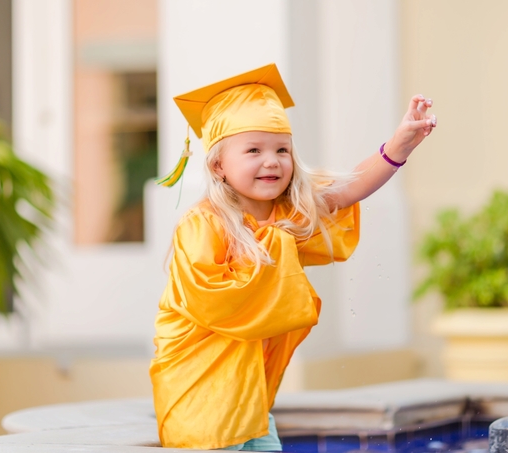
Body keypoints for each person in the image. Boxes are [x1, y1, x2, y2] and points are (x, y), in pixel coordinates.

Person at [149, 63, 436, 450]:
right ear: (218, 165)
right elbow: (210, 299)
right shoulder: (203, 223)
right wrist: (276, 245)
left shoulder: (287, 212)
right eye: (254, 150)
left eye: (282, 150)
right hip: (201, 388)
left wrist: (399, 145)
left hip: (251, 400)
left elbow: (349, 189)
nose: (272, 161)